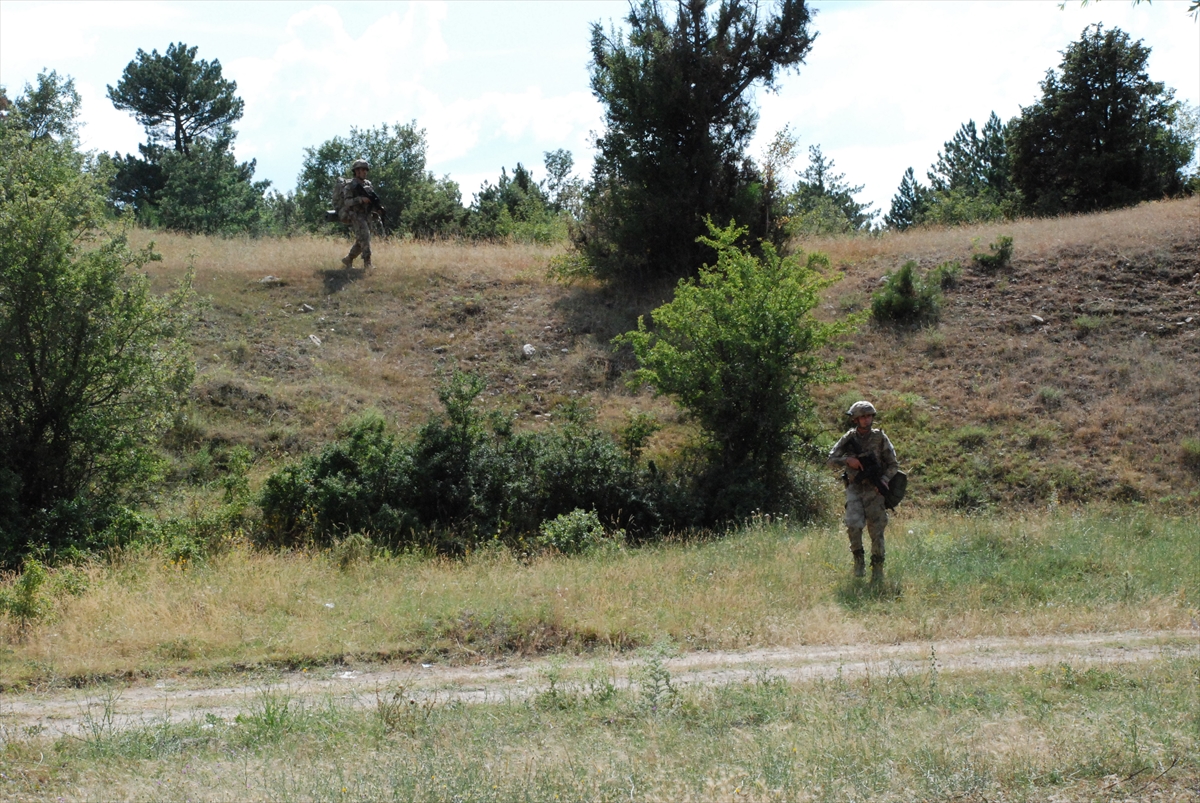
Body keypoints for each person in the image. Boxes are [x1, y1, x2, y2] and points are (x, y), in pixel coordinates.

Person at [827, 400, 900, 581]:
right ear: (855, 420)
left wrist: (882, 480)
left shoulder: (880, 438)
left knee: (876, 531)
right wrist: (847, 461)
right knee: (853, 525)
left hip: (874, 491)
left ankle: (877, 569)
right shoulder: (849, 438)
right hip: (855, 488)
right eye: (863, 417)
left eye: (869, 416)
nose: (867, 420)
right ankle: (858, 563)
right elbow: (830, 460)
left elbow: (893, 465)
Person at [339, 159, 377, 270]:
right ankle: (367, 263)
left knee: (362, 240)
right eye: (362, 170)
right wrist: (360, 199)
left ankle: (348, 259)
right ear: (356, 171)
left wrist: (377, 208)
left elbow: (372, 199)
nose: (365, 172)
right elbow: (347, 202)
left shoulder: (368, 184)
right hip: (355, 215)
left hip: (367, 214)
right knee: (365, 237)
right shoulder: (350, 185)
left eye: (366, 170)